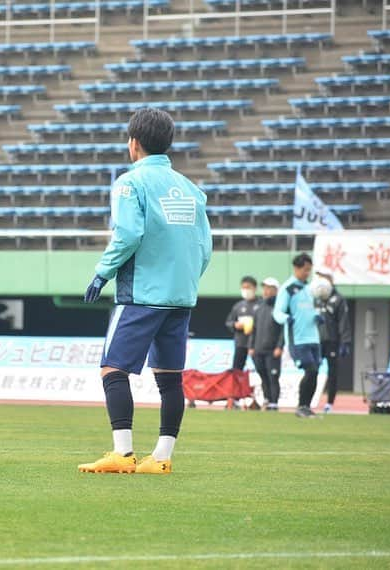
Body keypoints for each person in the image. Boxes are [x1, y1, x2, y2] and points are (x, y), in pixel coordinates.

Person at [77, 107, 212, 475]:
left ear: (133, 143)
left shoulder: (129, 183)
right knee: (170, 378)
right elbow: (205, 249)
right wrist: (184, 281)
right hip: (181, 297)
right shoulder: (192, 190)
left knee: (112, 369)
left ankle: (123, 452)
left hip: (141, 294)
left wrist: (102, 273)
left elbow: (128, 235)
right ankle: (162, 458)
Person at [273, 253, 322, 418]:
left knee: (315, 372)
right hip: (298, 339)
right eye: (305, 269)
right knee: (311, 370)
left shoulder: (310, 289)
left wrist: (317, 316)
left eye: (309, 270)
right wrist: (287, 318)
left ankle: (307, 406)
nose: (307, 273)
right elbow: (277, 312)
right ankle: (301, 406)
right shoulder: (288, 289)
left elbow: (310, 309)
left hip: (314, 338)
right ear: (296, 268)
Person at [314, 271, 352, 414]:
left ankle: (329, 402)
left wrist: (345, 341)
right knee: (312, 370)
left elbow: (344, 321)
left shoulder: (338, 299)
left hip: (332, 340)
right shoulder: (314, 297)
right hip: (316, 341)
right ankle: (308, 400)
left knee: (333, 372)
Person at [248, 277, 284, 411]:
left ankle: (274, 403)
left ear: (276, 290)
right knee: (263, 376)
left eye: (270, 288)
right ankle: (267, 400)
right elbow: (254, 329)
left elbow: (282, 330)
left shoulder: (279, 307)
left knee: (273, 376)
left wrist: (280, 346)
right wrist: (251, 346)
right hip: (258, 349)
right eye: (265, 288)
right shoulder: (259, 307)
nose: (266, 291)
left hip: (272, 350)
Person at [226, 276, 260, 371]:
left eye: (248, 287)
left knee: (262, 369)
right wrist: (235, 325)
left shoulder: (261, 304)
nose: (246, 290)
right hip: (241, 342)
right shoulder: (238, 306)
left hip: (257, 343)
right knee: (236, 370)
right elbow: (229, 322)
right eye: (243, 287)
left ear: (254, 288)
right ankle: (237, 386)